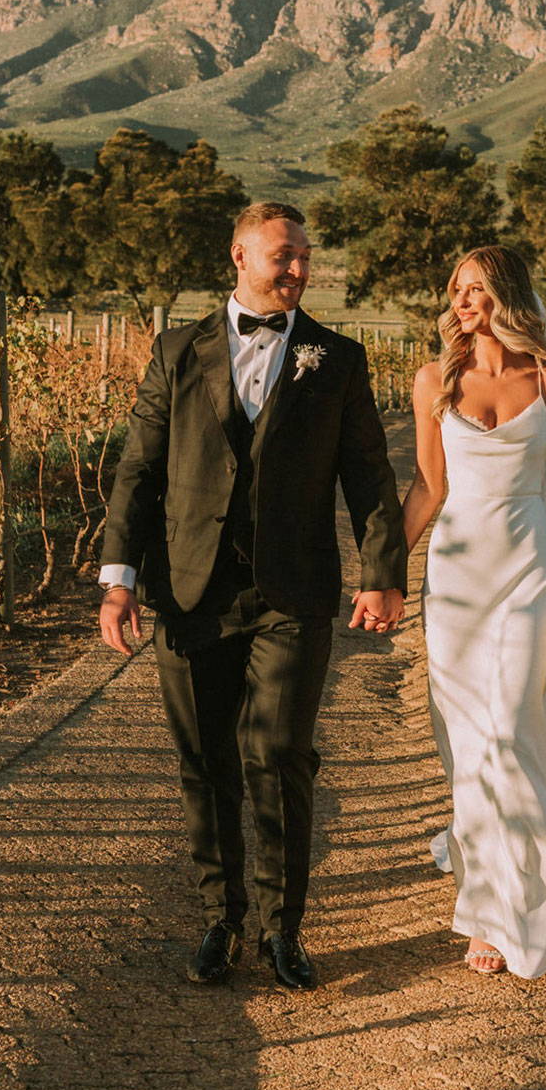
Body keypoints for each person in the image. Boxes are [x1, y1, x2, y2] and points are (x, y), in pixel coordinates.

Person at [97, 200, 407, 990]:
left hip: (291, 592)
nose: (299, 269)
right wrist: (118, 578)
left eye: (305, 255)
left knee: (279, 756)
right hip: (189, 590)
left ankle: (283, 931)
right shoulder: (177, 349)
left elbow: (368, 473)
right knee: (205, 762)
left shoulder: (336, 358)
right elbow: (139, 469)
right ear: (239, 255)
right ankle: (219, 921)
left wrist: (382, 573)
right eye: (283, 256)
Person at [403, 244, 546, 978]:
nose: (460, 301)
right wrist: (381, 572)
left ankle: (524, 900)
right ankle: (486, 903)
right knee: (466, 743)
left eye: (474, 288)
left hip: (526, 575)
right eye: (453, 290)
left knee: (512, 728)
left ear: (505, 295)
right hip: (454, 582)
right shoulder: (434, 380)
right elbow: (427, 489)